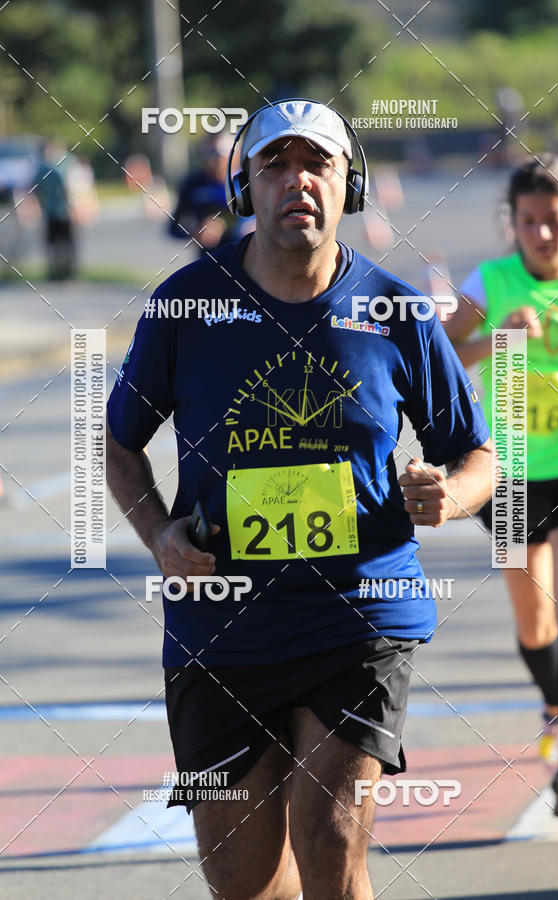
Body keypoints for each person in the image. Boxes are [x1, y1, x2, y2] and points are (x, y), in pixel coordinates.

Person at [106, 99, 492, 899]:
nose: (298, 181)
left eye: (316, 163)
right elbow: (118, 442)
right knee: (242, 878)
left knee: (332, 830)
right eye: (275, 164)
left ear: (349, 184)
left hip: (359, 609)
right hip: (221, 620)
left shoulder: (396, 312)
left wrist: (448, 496)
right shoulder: (186, 308)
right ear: (243, 185)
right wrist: (158, 536)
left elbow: (475, 454)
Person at [445, 153, 558, 820]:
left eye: (552, 220)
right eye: (528, 221)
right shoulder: (493, 281)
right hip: (507, 477)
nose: (541, 234)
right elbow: (441, 354)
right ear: (513, 223)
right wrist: (496, 341)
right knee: (533, 625)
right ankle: (552, 702)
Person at [168, 134, 239, 254]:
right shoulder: (193, 184)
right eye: (207, 154)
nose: (211, 161)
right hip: (207, 261)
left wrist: (224, 224)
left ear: (235, 155)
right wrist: (194, 231)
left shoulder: (250, 182)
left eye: (217, 154)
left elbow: (253, 222)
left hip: (244, 262)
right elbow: (174, 227)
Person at [34, 140, 77, 279]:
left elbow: (36, 191)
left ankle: (55, 271)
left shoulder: (41, 170)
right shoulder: (60, 169)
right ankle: (67, 271)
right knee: (66, 242)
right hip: (62, 211)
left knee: (53, 244)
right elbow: (68, 190)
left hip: (50, 212)